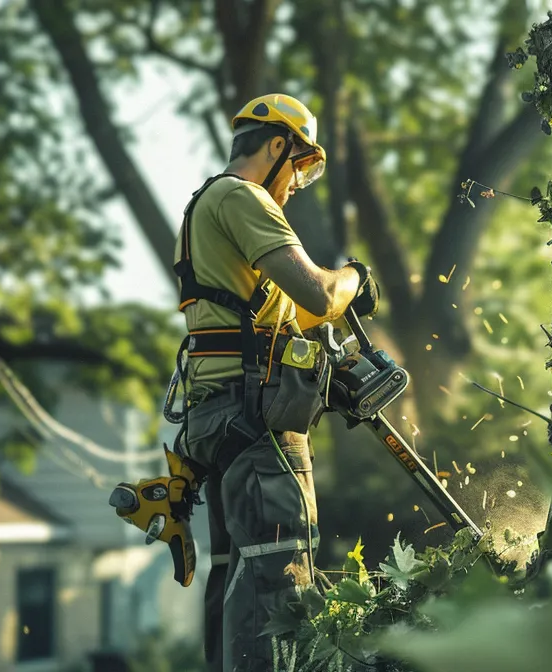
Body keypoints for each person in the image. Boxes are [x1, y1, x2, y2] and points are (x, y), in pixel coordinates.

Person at [170, 93, 378, 671]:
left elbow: (289, 313)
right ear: (279, 145)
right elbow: (317, 292)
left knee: (240, 579)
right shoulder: (244, 196)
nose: (295, 185)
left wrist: (333, 310)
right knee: (282, 589)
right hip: (258, 423)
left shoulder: (203, 208)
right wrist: (355, 278)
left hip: (222, 415)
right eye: (300, 167)